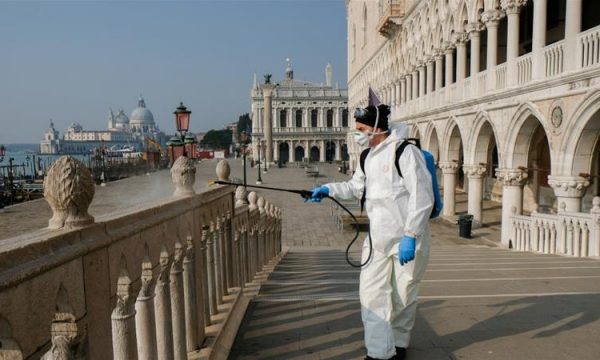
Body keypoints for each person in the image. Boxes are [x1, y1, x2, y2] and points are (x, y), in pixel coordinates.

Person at [308, 104, 434, 360]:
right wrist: (328, 190)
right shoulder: (367, 156)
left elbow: (423, 197)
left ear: (377, 128)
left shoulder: (406, 152)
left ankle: (398, 345)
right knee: (372, 296)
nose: (357, 134)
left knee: (403, 297)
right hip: (377, 240)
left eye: (361, 129)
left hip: (408, 240)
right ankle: (379, 353)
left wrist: (410, 235)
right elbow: (356, 187)